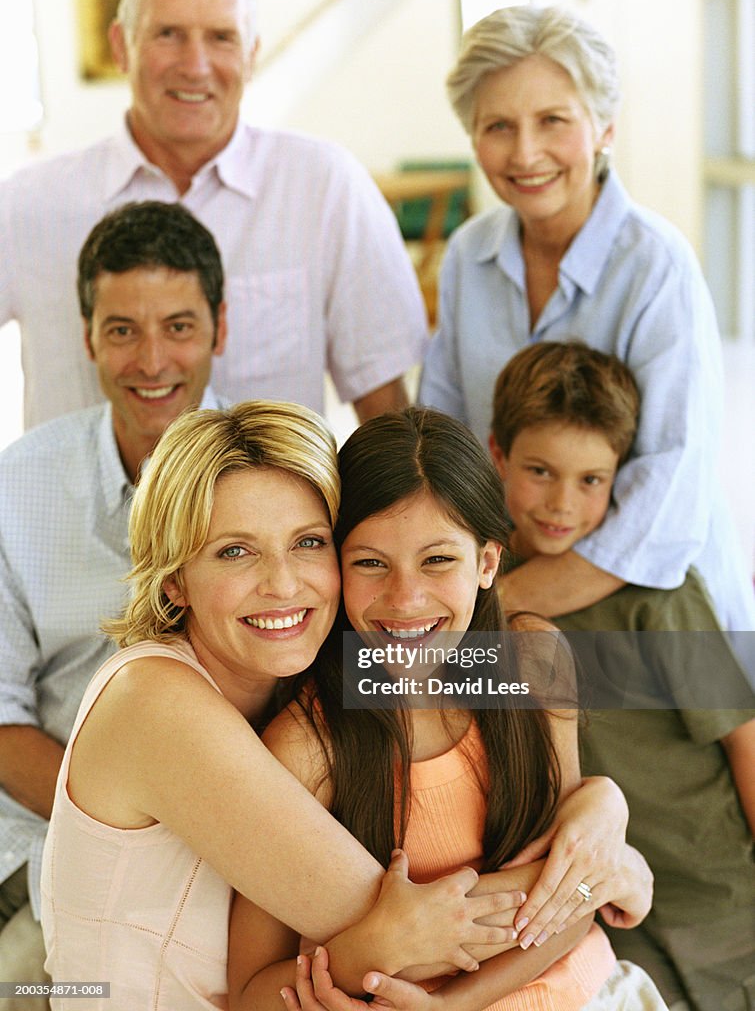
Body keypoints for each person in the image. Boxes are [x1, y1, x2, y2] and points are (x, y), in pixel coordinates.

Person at [40, 398, 576, 1011]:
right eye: (234, 551)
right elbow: (418, 934)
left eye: (308, 543)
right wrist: (601, 868)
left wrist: (599, 812)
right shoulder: (155, 702)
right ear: (173, 579)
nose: (284, 584)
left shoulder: (301, 686)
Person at [228, 406, 666, 1011]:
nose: (405, 599)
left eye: (438, 560)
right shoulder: (306, 748)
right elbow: (250, 992)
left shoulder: (533, 661)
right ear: (333, 566)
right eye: (370, 562)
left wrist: (454, 1006)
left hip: (587, 991)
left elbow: (573, 902)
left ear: (486, 563)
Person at [417, 5, 755, 644]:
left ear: (604, 128)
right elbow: (444, 438)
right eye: (498, 126)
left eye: (553, 121)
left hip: (657, 613)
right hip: (507, 585)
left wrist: (496, 609)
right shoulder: (468, 253)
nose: (525, 153)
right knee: (367, 687)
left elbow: (670, 495)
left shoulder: (658, 265)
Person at [0, 0, 427, 431]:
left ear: (251, 54)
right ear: (120, 46)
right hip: (75, 502)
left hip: (267, 501)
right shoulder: (29, 204)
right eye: (167, 34)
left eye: (221, 37)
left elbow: (387, 416)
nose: (195, 66)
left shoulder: (325, 188)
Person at [0, 200, 227, 999]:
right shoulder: (15, 488)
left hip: (239, 844)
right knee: (24, 986)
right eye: (122, 329)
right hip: (55, 840)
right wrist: (128, 828)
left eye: (179, 326)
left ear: (219, 329)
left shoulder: (281, 480)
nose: (151, 359)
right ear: (89, 336)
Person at [490, 341, 755, 1011]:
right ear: (497, 455)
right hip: (598, 909)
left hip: (718, 894)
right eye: (539, 471)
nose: (561, 503)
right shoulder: (478, 598)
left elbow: (744, 741)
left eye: (590, 480)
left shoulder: (657, 593)